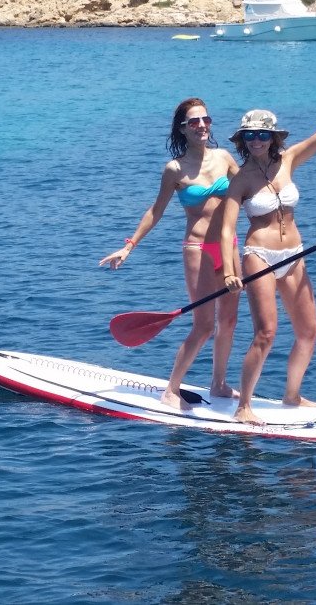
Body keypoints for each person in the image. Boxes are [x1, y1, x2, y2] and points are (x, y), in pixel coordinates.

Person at [219, 71, 316, 425]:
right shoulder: (240, 180)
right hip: (259, 257)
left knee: (308, 331)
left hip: (295, 256)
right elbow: (227, 230)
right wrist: (228, 271)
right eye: (250, 135)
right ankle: (244, 407)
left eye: (262, 134)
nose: (256, 140)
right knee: (266, 334)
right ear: (243, 140)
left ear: (273, 137)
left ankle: (292, 395)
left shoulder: (288, 160)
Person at [100, 98, 242, 410]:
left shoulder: (224, 158)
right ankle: (171, 390)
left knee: (229, 320)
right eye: (194, 122)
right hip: (198, 249)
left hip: (229, 247)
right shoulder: (174, 169)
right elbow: (156, 211)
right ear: (182, 129)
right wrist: (129, 246)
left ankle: (218, 384)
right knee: (203, 324)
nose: (202, 125)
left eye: (206, 119)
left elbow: (250, 186)